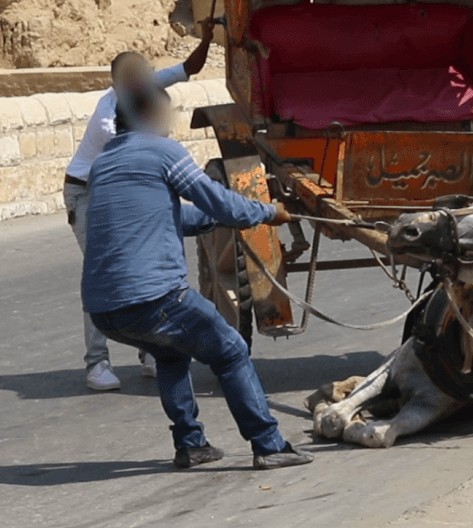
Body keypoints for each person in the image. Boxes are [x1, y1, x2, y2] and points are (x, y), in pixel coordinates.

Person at [82, 83, 314, 469]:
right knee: (231, 351)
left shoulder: (103, 163)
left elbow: (166, 217)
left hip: (105, 310)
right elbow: (220, 201)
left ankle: (191, 445)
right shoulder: (163, 152)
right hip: (154, 297)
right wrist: (269, 212)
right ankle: (269, 444)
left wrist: (215, 220)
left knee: (170, 354)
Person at [64, 45, 209, 391]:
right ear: (117, 82)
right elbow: (144, 149)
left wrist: (207, 36)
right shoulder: (108, 118)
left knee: (143, 267)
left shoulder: (140, 89)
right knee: (103, 272)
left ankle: (149, 354)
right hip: (87, 193)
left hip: (119, 187)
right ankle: (96, 363)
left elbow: (189, 67)